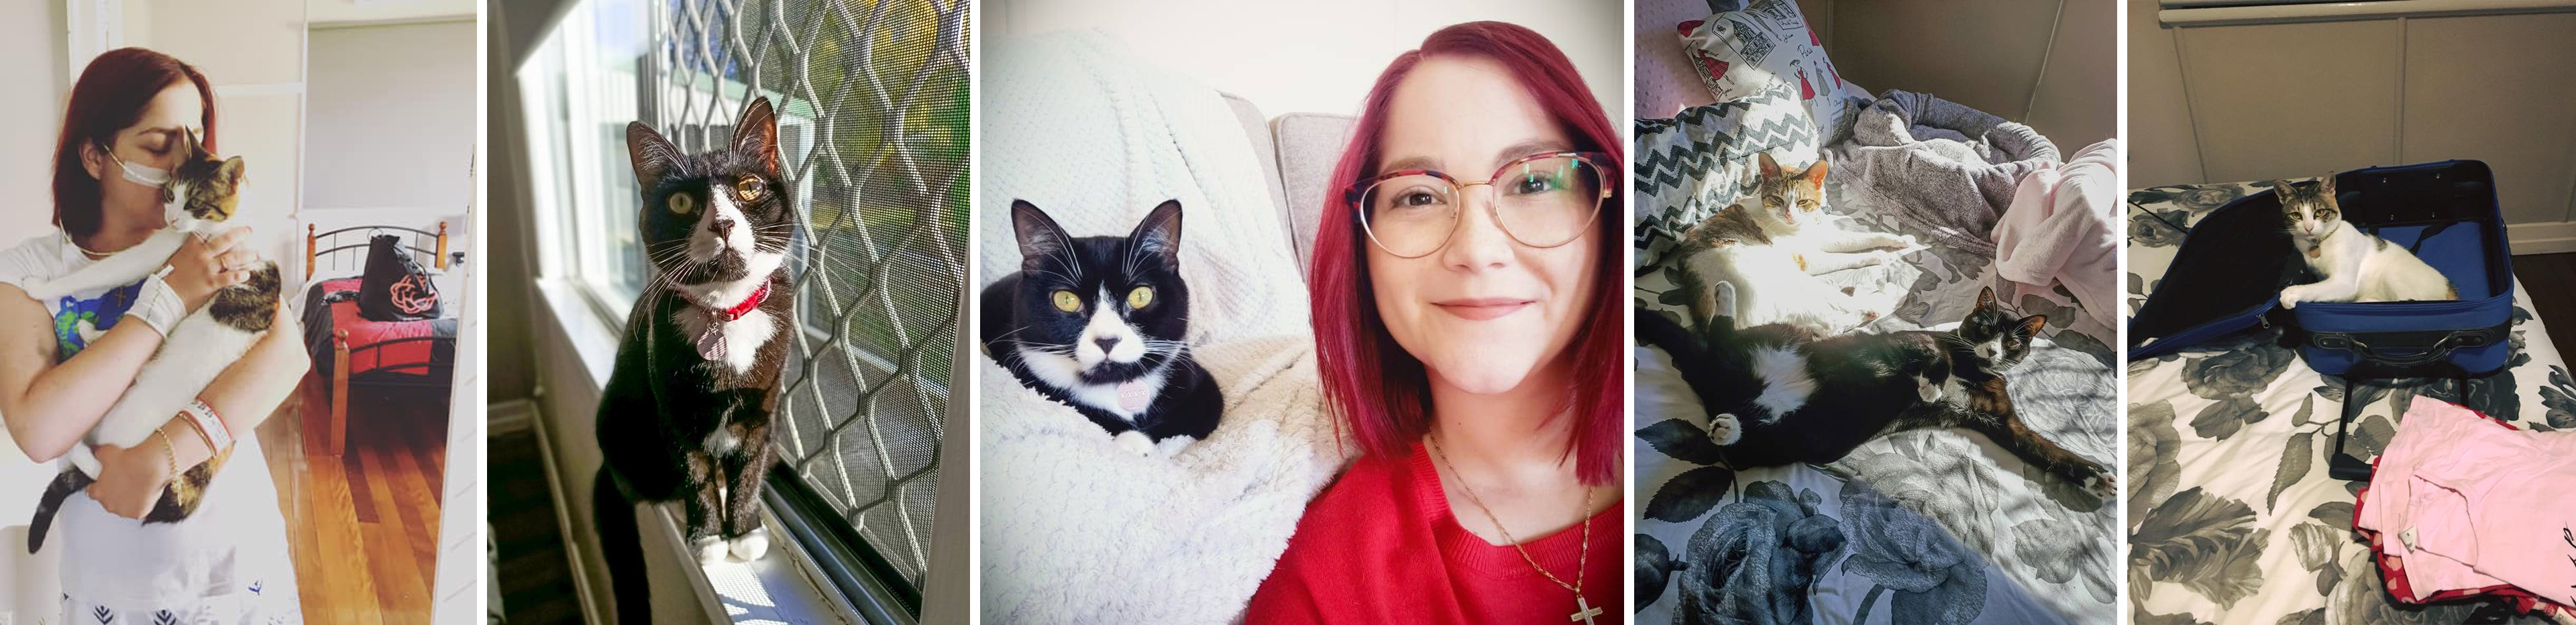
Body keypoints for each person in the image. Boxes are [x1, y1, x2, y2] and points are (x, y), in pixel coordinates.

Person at [1246, 21, 1625, 624]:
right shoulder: (1321, 588)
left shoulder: (1719, 421)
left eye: (1532, 181)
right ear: (1363, 250)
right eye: (1419, 196)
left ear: (1608, 210)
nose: (1476, 250)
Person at [0, 47, 304, 622]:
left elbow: (287, 356)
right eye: (158, 145)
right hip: (113, 582)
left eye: (192, 140)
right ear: (95, 155)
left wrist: (160, 457)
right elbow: (39, 431)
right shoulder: (28, 273)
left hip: (236, 563)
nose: (180, 164)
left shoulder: (214, 241)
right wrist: (170, 297)